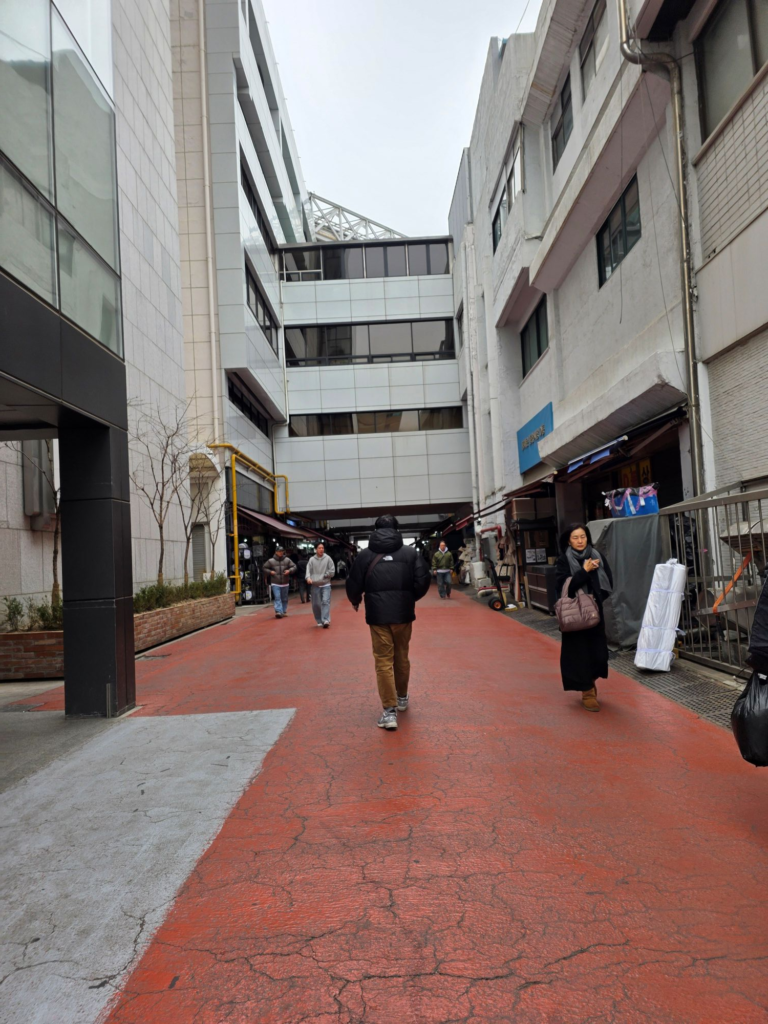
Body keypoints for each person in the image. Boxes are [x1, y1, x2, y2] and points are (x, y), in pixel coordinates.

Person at [345, 514, 431, 730]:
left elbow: (353, 582)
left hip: (378, 615)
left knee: (383, 660)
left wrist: (355, 600)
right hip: (403, 614)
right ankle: (402, 698)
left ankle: (389, 712)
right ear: (396, 529)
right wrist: (409, 598)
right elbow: (423, 580)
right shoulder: (410, 553)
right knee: (402, 655)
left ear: (375, 530)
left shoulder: (365, 555)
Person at [555, 524, 613, 712]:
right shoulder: (564, 560)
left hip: (594, 613)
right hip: (575, 615)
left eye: (583, 536)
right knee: (579, 655)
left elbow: (608, 581)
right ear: (568, 540)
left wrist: (596, 600)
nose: (580, 541)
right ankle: (587, 692)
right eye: (575, 537)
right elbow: (563, 588)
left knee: (599, 655)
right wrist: (584, 571)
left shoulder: (597, 556)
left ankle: (591, 681)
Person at [306, 543, 335, 627]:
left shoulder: (328, 558)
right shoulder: (311, 560)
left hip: (326, 584)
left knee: (325, 602)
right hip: (315, 585)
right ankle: (319, 619)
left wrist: (325, 575)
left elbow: (332, 571)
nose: (321, 549)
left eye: (322, 548)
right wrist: (308, 578)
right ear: (316, 549)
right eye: (319, 548)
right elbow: (308, 570)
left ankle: (325, 620)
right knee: (316, 604)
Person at [263, 545, 296, 618]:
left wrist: (289, 570)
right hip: (275, 582)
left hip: (285, 583)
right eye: (279, 551)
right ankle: (278, 611)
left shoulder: (287, 560)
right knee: (277, 597)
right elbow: (264, 567)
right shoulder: (271, 561)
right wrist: (270, 572)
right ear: (276, 552)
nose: (281, 552)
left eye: (282, 551)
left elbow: (294, 566)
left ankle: (283, 611)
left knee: (284, 598)